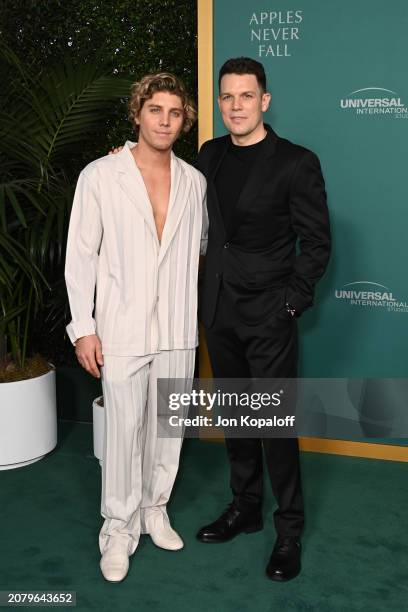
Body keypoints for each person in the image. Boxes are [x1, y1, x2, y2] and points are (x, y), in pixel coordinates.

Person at [64, 72, 207, 583]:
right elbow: (80, 255)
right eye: (155, 110)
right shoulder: (101, 175)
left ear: (184, 120)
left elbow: (200, 247)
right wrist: (83, 328)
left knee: (168, 430)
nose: (164, 120)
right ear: (137, 114)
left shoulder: (195, 182)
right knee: (124, 433)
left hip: (177, 328)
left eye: (174, 112)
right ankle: (118, 530)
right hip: (120, 328)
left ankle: (154, 511)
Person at [195, 57, 331, 582]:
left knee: (273, 424)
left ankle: (289, 530)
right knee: (235, 416)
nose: (235, 106)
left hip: (269, 314)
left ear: (265, 101)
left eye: (245, 96)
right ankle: (245, 508)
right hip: (217, 309)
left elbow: (317, 242)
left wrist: (290, 303)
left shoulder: (297, 162)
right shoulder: (208, 155)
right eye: (227, 97)